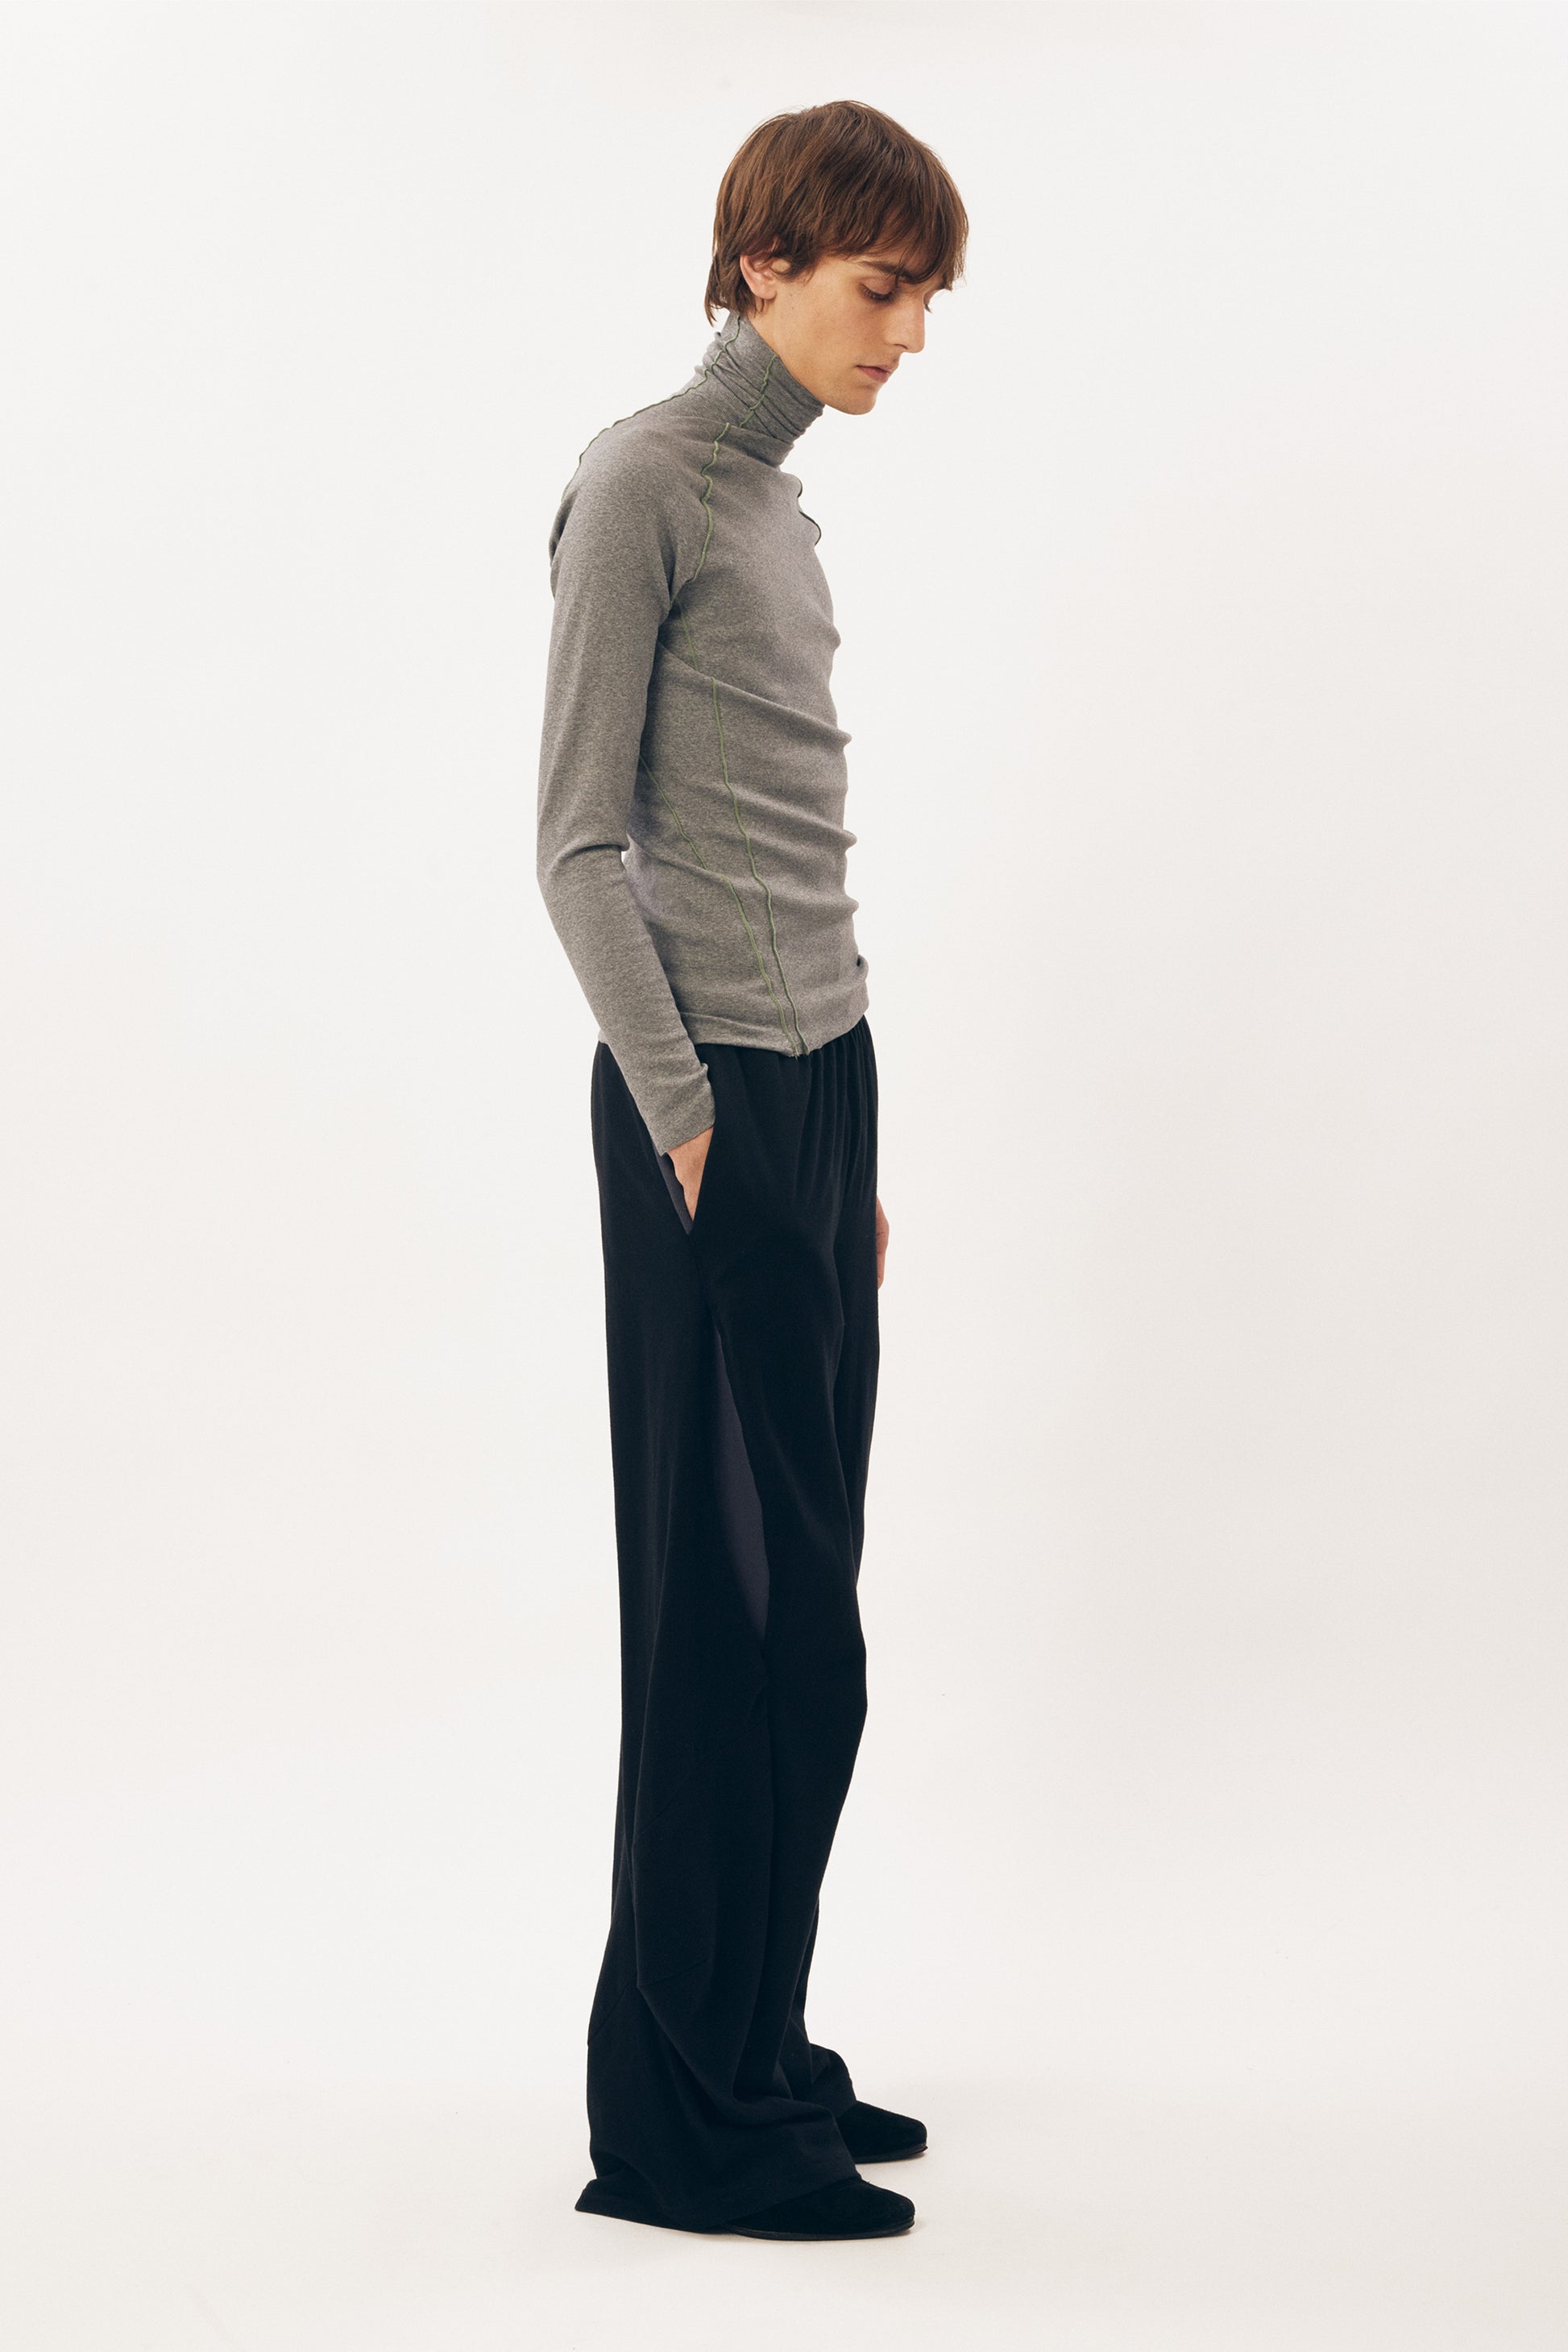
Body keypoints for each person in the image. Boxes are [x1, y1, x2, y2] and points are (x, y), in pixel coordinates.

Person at [535, 98, 967, 2243]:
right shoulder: (642, 483)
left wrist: (835, 1132)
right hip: (705, 1099)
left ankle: (754, 2042)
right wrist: (695, 1115)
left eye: (926, 300)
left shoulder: (776, 503)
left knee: (811, 1624)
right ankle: (678, 2126)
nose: (908, 336)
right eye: (882, 290)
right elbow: (575, 844)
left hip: (816, 1087)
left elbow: (778, 836)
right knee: (731, 1619)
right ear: (767, 260)